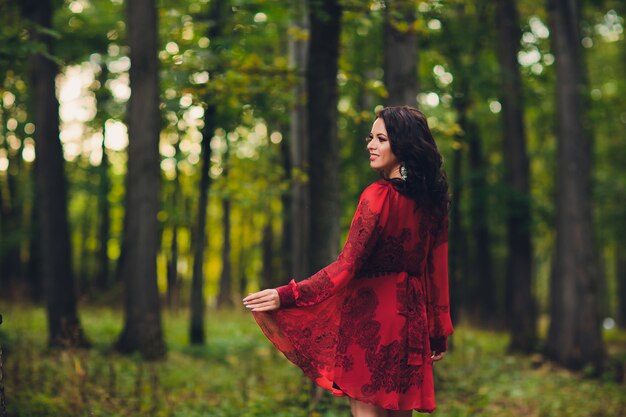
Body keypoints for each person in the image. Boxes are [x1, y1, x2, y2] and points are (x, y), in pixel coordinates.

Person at [243, 106, 453, 416]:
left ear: (404, 144)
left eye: (381, 138)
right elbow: (436, 273)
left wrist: (286, 295)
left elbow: (347, 265)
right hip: (412, 325)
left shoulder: (378, 196)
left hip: (371, 321)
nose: (370, 144)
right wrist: (436, 331)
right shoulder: (433, 204)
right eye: (371, 137)